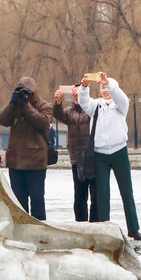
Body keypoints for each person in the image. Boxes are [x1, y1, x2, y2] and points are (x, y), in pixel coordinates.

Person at [77, 72, 141, 240]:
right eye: (102, 87)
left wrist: (109, 82)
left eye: (107, 87)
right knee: (102, 193)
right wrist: (84, 87)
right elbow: (84, 102)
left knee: (126, 191)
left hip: (119, 151)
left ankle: (133, 228)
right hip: (100, 154)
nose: (105, 90)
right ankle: (105, 226)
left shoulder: (120, 105)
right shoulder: (96, 105)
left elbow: (122, 97)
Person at [0, 77, 51, 220]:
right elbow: (2, 120)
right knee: (18, 201)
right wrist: (12, 104)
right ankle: (21, 227)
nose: (25, 95)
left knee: (37, 198)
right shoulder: (15, 106)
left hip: (36, 162)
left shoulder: (44, 106)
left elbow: (42, 122)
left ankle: (40, 226)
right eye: (21, 92)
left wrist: (26, 106)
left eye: (28, 92)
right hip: (16, 161)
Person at [53, 88, 97, 222]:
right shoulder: (69, 112)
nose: (76, 96)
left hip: (93, 157)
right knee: (79, 195)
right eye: (74, 94)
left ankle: (96, 223)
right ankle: (81, 223)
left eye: (79, 93)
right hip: (77, 158)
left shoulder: (92, 110)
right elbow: (58, 115)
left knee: (96, 195)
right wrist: (58, 102)